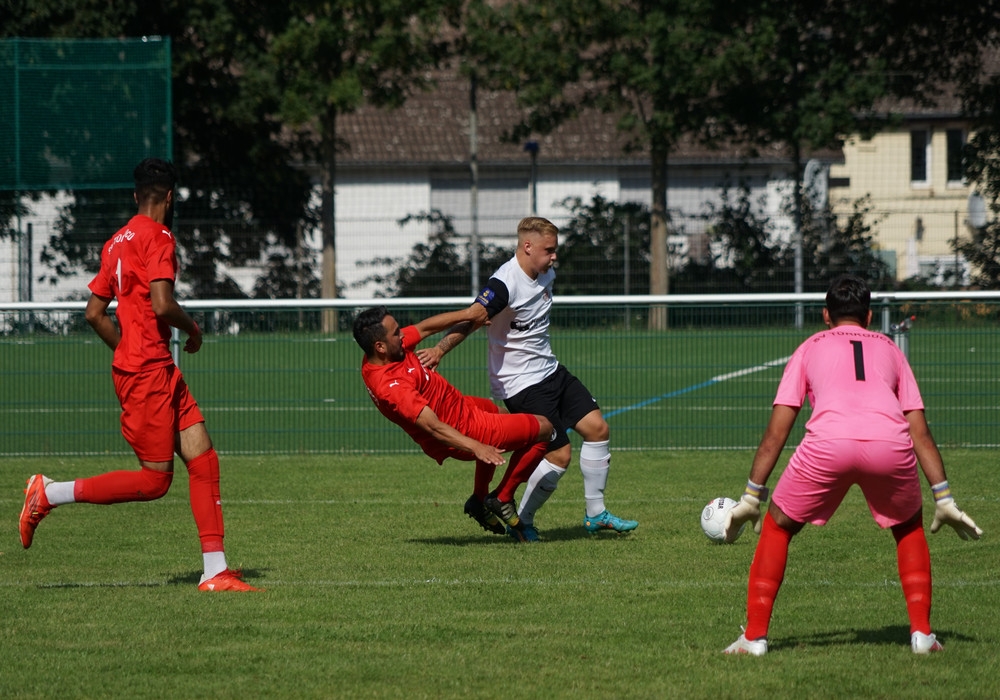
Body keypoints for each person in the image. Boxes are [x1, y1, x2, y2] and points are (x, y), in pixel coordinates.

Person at [18, 158, 260, 592]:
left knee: (204, 460)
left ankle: (215, 571)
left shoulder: (115, 242)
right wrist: (194, 330)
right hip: (148, 374)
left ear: (136, 196)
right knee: (154, 482)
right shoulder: (160, 237)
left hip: (154, 367)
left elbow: (94, 313)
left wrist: (128, 348)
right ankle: (48, 493)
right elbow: (163, 304)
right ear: (169, 197)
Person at [722, 274, 982, 656]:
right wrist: (943, 497)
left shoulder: (809, 347)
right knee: (908, 528)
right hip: (889, 444)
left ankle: (754, 638)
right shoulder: (891, 349)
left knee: (777, 527)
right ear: (870, 316)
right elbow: (920, 432)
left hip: (829, 444)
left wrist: (751, 496)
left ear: (826, 315)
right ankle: (923, 636)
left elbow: (777, 433)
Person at [417, 216, 638, 541]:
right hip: (520, 382)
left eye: (555, 249)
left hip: (550, 370)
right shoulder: (504, 284)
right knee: (559, 454)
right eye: (549, 250)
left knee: (597, 430)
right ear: (528, 246)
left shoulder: (547, 272)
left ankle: (595, 514)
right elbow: (473, 318)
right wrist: (439, 349)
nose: (554, 257)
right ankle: (521, 520)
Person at [353, 305, 555, 541]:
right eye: (396, 333)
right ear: (380, 346)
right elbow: (434, 427)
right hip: (464, 428)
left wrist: (469, 314)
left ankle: (478, 500)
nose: (402, 335)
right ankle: (502, 497)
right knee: (545, 428)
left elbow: (425, 327)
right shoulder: (391, 388)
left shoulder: (385, 352)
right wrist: (477, 446)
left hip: (461, 405)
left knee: (502, 413)